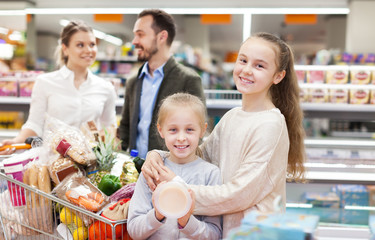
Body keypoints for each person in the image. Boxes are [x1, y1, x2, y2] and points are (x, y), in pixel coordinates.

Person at [142, 32, 306, 237]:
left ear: (278, 76)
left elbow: (239, 194)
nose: (246, 70)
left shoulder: (270, 124)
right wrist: (157, 155)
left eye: (259, 66)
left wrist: (178, 189)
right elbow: (200, 154)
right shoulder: (233, 116)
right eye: (243, 60)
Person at [0, 20, 117, 155]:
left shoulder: (105, 88)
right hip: (53, 162)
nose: (88, 50)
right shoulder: (45, 82)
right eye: (80, 45)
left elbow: (109, 128)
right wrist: (17, 141)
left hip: (90, 164)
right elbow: (34, 123)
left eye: (92, 44)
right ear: (65, 49)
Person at [127, 93, 222, 240]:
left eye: (190, 129)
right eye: (173, 130)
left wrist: (187, 222)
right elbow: (134, 230)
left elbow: (215, 234)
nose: (181, 137)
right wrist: (157, 215)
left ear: (203, 130)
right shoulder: (153, 171)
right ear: (161, 130)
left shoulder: (211, 174)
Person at [118, 9, 205, 159]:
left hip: (169, 171)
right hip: (135, 169)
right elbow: (126, 126)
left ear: (162, 37)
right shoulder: (133, 82)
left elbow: (196, 133)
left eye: (140, 34)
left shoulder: (188, 79)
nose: (134, 42)